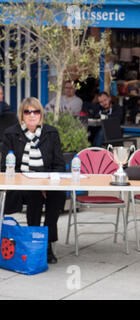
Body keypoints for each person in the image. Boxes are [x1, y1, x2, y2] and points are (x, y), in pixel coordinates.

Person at [1, 97, 66, 264]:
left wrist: (46, 183)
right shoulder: (11, 134)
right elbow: (6, 167)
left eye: (35, 111)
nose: (31, 115)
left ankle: (47, 242)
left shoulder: (51, 133)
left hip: (48, 183)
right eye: (27, 111)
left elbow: (59, 164)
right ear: (22, 115)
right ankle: (35, 242)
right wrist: (31, 182)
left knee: (57, 197)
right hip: (20, 186)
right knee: (34, 195)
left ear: (41, 114)